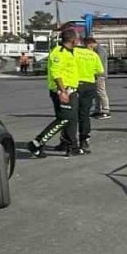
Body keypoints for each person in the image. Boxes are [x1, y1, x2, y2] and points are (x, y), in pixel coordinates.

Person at [27, 29, 81, 158]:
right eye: (78, 38)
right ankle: (37, 142)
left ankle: (71, 145)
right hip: (63, 90)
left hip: (72, 90)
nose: (79, 40)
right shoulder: (59, 53)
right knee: (64, 118)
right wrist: (62, 91)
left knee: (72, 119)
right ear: (72, 40)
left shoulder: (71, 52)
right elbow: (57, 74)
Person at [73, 37, 105, 153]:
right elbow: (100, 70)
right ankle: (84, 140)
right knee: (84, 114)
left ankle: (68, 141)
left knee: (71, 114)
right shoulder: (93, 55)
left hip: (75, 84)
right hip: (89, 84)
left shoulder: (74, 52)